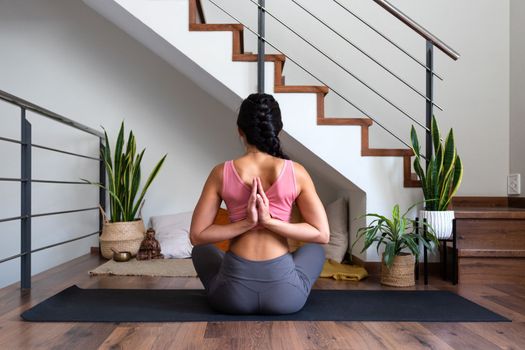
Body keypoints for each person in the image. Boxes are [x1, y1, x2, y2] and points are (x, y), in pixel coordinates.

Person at [189, 93, 329, 315]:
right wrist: (270, 223)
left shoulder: (220, 172)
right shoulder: (297, 172)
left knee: (202, 251)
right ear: (277, 129)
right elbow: (322, 234)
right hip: (285, 298)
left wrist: (246, 223)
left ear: (240, 130)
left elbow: (197, 236)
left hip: (232, 299)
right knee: (315, 250)